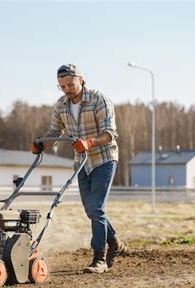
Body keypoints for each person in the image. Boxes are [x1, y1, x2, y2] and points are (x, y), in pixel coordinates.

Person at [30, 64, 126, 273]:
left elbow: (110, 133)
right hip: (81, 162)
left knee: (95, 208)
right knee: (91, 209)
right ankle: (115, 243)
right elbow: (54, 132)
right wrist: (40, 145)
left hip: (104, 158)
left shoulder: (99, 99)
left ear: (80, 79)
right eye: (61, 86)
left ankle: (99, 259)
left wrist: (89, 142)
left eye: (70, 84)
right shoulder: (61, 105)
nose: (66, 90)